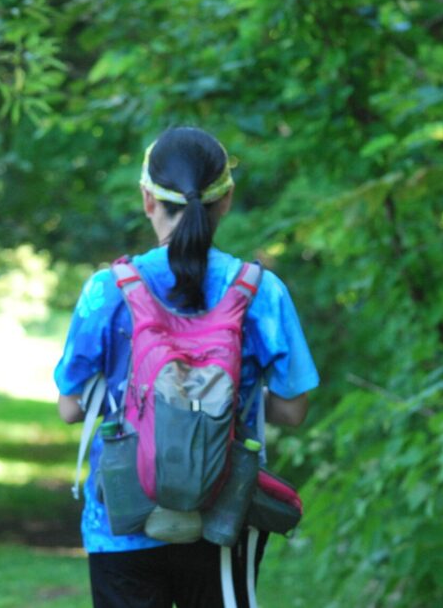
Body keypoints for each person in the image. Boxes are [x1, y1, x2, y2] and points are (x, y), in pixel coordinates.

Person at [54, 126, 319, 608]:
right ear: (226, 201)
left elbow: (71, 409)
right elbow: (293, 411)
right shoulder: (262, 291)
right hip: (222, 516)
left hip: (119, 518)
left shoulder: (105, 290)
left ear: (147, 199)